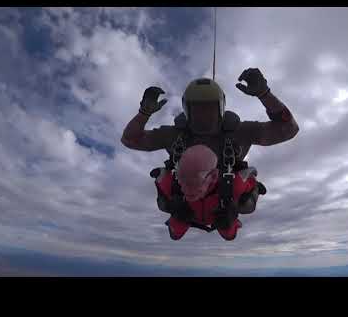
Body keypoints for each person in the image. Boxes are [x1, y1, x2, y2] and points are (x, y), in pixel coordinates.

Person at [121, 67, 299, 236]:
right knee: (176, 222)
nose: (204, 115)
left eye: (209, 108)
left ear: (221, 108)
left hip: (225, 205)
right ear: (187, 110)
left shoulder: (239, 133)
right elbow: (130, 140)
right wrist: (143, 113)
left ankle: (227, 220)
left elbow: (288, 129)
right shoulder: (175, 135)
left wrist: (265, 94)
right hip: (184, 203)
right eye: (198, 109)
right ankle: (190, 220)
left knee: (229, 226)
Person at [154, 144, 264, 240]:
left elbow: (250, 176)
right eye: (185, 177)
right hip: (187, 214)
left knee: (229, 233)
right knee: (176, 232)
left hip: (220, 216)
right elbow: (161, 178)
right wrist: (174, 206)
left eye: (196, 179)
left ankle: (229, 221)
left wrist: (254, 190)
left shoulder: (232, 185)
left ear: (214, 176)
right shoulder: (174, 184)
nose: (188, 187)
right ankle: (179, 217)